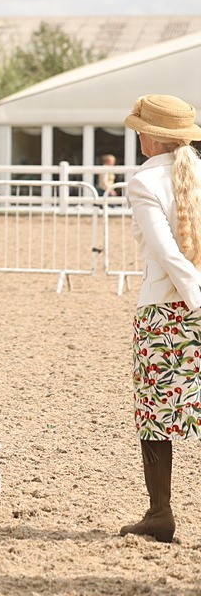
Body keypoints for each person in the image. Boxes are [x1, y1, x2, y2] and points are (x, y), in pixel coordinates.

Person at [118, 94, 201, 543]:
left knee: (155, 412)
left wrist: (196, 298)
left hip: (165, 311)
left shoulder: (144, 181)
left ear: (150, 137)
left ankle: (160, 513)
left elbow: (166, 252)